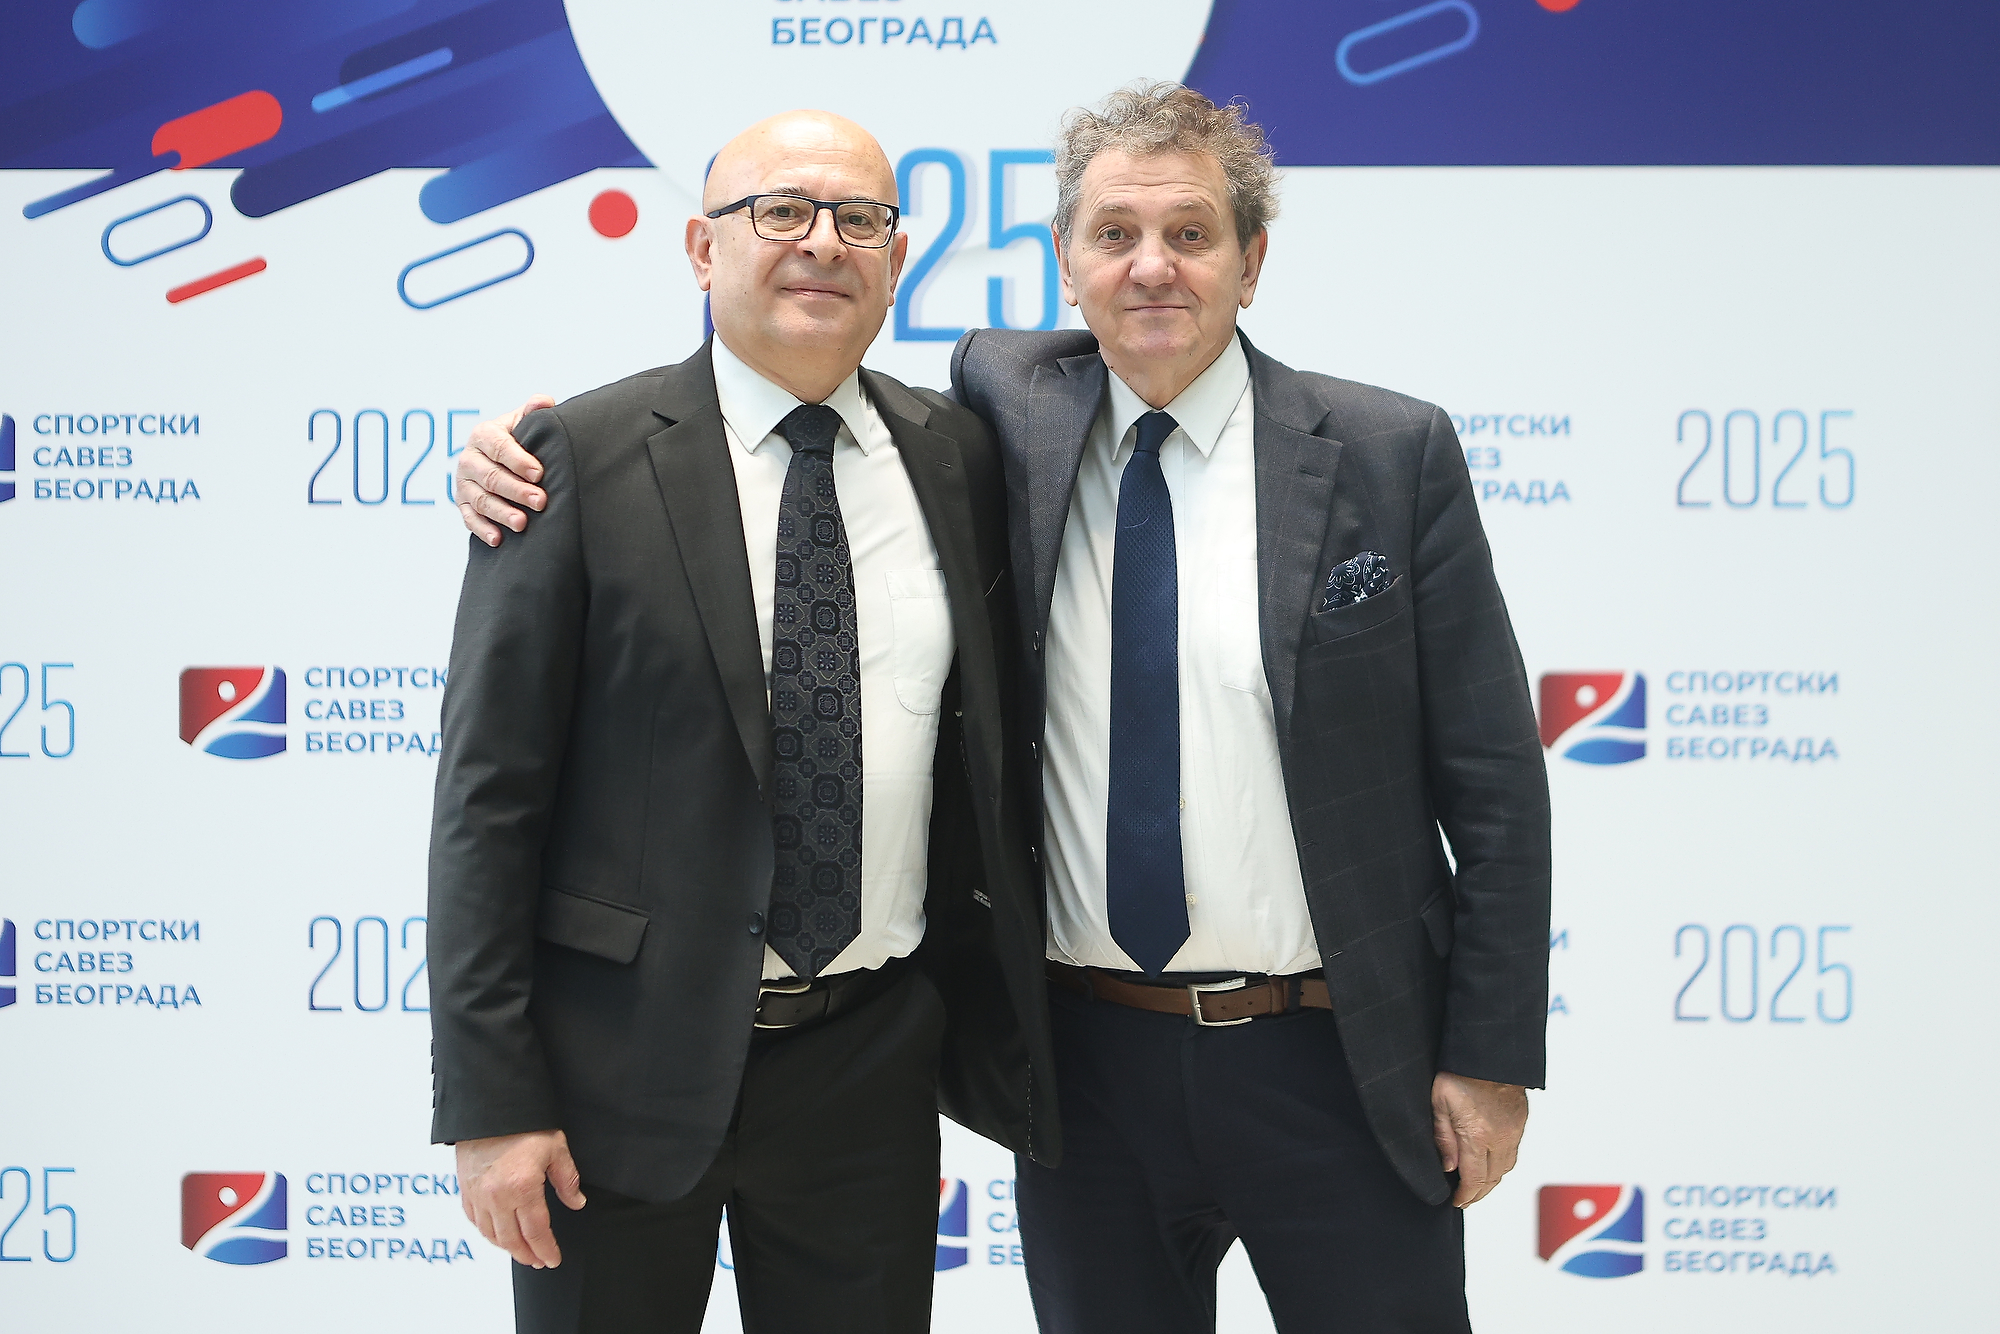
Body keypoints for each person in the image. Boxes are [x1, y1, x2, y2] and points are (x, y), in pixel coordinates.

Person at [455, 83, 1550, 1334]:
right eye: (1113, 235)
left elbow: (1494, 787)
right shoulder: (985, 422)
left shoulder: (1372, 451)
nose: (1151, 268)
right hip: (1074, 1072)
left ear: (1251, 263)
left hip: (1330, 1054)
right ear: (1063, 266)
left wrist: (1488, 1052)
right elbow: (490, 801)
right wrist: (512, 447)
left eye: (1191, 234)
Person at [427, 109, 1053, 1334]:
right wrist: (492, 1100)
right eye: (780, 211)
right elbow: (486, 802)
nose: (821, 242)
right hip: (612, 1069)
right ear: (701, 248)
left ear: (896, 259)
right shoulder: (572, 458)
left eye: (858, 219)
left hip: (868, 1060)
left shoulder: (962, 456)